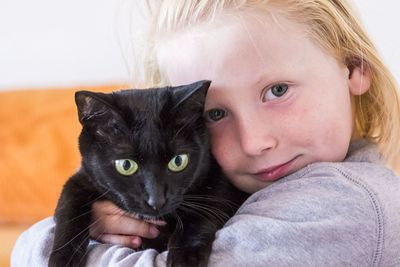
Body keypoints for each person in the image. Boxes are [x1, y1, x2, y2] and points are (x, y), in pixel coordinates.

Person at [12, 0, 400, 266]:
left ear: (355, 68)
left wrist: (35, 247)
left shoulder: (348, 204)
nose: (254, 142)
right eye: (215, 113)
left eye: (277, 91)